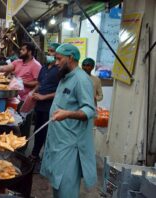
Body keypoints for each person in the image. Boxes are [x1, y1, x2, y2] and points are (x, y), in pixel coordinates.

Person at [40, 44, 97, 198]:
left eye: (59, 59)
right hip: (58, 142)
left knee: (67, 190)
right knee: (57, 188)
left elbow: (90, 110)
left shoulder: (81, 79)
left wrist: (68, 114)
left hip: (70, 146)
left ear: (71, 57)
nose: (56, 63)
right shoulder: (65, 76)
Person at [29, 43, 60, 163]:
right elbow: (40, 83)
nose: (49, 54)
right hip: (40, 107)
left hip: (51, 107)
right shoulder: (44, 67)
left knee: (48, 133)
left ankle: (47, 159)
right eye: (48, 51)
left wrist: (44, 96)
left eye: (52, 51)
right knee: (38, 131)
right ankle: (35, 155)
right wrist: (33, 93)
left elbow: (61, 91)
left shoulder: (60, 70)